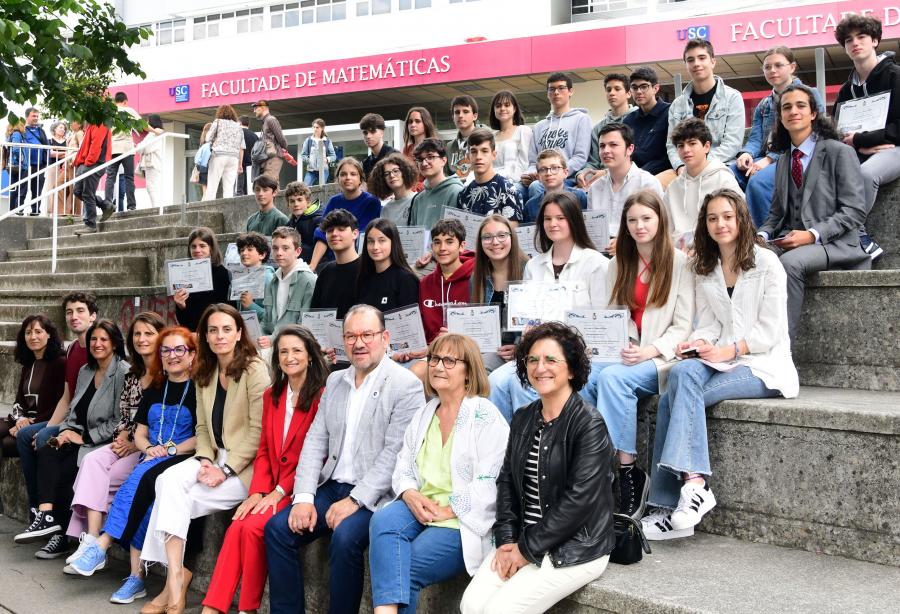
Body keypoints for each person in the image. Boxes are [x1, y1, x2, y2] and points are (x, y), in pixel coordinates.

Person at [642, 188, 798, 540]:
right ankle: (692, 489)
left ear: (741, 218)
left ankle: (671, 502)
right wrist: (698, 342)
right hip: (724, 358)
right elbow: (711, 323)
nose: (720, 223)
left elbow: (771, 331)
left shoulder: (767, 262)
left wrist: (728, 351)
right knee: (679, 378)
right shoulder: (707, 267)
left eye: (727, 216)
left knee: (678, 389)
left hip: (762, 365)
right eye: (712, 218)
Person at [264, 304, 423, 614]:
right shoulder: (336, 381)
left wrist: (355, 500)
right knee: (277, 530)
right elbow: (315, 441)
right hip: (332, 485)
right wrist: (304, 498)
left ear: (385, 337)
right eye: (350, 336)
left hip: (376, 495)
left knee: (345, 538)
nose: (358, 343)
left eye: (367, 334)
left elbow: (395, 453)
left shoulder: (406, 386)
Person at [460, 322, 615, 614]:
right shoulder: (523, 417)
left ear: (571, 369)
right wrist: (506, 540)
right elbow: (506, 482)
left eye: (551, 359)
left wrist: (525, 550)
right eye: (532, 359)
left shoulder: (589, 424)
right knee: (470, 605)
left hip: (575, 546)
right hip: (521, 538)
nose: (540, 367)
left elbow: (579, 502)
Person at [141, 304, 269, 614]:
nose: (220, 335)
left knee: (171, 500)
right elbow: (201, 426)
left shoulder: (255, 370)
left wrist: (224, 470)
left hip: (244, 466)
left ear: (239, 333)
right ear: (206, 336)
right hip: (212, 455)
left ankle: (173, 587)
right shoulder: (205, 370)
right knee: (166, 480)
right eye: (213, 330)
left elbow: (258, 431)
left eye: (227, 329)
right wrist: (204, 460)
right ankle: (175, 578)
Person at [369, 334, 509, 614]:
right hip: (422, 505)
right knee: (382, 518)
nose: (437, 366)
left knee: (403, 569)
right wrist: (409, 493)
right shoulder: (425, 413)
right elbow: (404, 463)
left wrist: (450, 510)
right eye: (434, 359)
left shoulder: (485, 416)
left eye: (449, 360)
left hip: (462, 520)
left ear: (468, 372)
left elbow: (492, 479)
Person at [64, 326, 198, 607]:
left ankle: (103, 547)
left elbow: (203, 436)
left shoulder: (199, 390)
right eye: (166, 350)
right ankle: (134, 577)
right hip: (152, 456)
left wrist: (169, 449)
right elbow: (139, 432)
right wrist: (150, 448)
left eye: (179, 350)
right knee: (139, 486)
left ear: (192, 355)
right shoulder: (155, 388)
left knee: (139, 483)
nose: (172, 356)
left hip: (182, 457)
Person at [581, 189, 694, 519]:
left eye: (646, 218)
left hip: (663, 357)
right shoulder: (618, 264)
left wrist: (649, 350)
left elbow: (683, 325)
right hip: (628, 351)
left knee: (614, 380)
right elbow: (615, 316)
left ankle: (627, 474)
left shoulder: (681, 264)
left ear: (660, 220)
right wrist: (613, 342)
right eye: (632, 220)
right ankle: (589, 467)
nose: (639, 226)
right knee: (586, 377)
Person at [201, 325, 329, 614]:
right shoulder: (273, 394)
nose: (289, 357)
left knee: (253, 528)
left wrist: (279, 492)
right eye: (283, 351)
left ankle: (248, 607)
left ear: (310, 355)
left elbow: (319, 457)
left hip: (303, 486)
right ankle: (213, 607)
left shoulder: (323, 395)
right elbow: (263, 451)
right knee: (237, 526)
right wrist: (257, 491)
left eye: (297, 350)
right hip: (270, 484)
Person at [758, 84, 869, 344]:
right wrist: (762, 235)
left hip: (837, 242)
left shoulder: (838, 151)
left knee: (790, 264)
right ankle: (751, 343)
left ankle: (783, 351)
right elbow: (775, 215)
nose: (793, 111)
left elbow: (854, 211)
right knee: (753, 258)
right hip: (793, 240)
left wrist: (811, 235)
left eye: (800, 106)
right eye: (786, 107)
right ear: (781, 117)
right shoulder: (785, 159)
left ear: (813, 114)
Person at [487, 191, 609, 423]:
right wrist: (526, 332)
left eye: (560, 218)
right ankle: (510, 449)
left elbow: (602, 321)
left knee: (524, 383)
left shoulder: (596, 264)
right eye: (547, 219)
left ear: (573, 220)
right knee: (496, 383)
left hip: (580, 354)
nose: (553, 224)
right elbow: (527, 315)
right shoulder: (534, 265)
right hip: (539, 351)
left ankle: (542, 446)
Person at [14, 320, 129, 559]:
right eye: (94, 339)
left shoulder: (123, 372)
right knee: (48, 447)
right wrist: (65, 432)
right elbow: (74, 410)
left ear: (115, 344)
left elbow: (120, 420)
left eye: (104, 340)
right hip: (79, 436)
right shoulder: (85, 371)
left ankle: (62, 536)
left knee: (66, 470)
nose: (97, 344)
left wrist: (83, 436)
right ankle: (47, 517)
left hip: (102, 442)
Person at [64, 313, 165, 558]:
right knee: (91, 461)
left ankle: (95, 545)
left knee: (105, 478)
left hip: (151, 446)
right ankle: (91, 540)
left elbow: (163, 420)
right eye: (138, 334)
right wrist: (122, 435)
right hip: (127, 440)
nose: (142, 339)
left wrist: (134, 442)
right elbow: (123, 415)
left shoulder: (168, 371)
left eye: (148, 334)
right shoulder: (132, 374)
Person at [16, 293, 98, 518]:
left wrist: (48, 429)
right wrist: (47, 426)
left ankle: (49, 515)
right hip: (69, 418)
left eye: (80, 311)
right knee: (28, 436)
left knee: (41, 439)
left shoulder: (97, 348)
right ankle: (36, 508)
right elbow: (66, 396)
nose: (74, 316)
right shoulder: (72, 350)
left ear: (93, 316)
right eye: (69, 312)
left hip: (87, 424)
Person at [732, 47, 825, 227]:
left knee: (757, 182)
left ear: (792, 67)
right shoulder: (764, 104)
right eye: (767, 67)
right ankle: (740, 231)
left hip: (796, 157)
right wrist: (746, 154)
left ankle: (767, 235)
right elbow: (755, 138)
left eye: (778, 65)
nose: (772, 70)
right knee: (727, 174)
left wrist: (769, 159)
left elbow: (814, 134)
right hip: (765, 158)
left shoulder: (810, 95)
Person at [834, 13, 900, 262]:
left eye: (861, 36)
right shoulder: (845, 89)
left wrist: (863, 140)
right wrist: (860, 145)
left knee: (866, 174)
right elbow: (837, 132)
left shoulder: (895, 75)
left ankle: (854, 232)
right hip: (861, 151)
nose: (855, 43)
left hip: (893, 148)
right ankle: (853, 235)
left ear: (875, 40)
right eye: (849, 40)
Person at [663, 38, 745, 188]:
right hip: (684, 166)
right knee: (653, 187)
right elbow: (671, 144)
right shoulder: (677, 105)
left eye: (702, 58)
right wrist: (680, 166)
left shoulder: (732, 98)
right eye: (690, 60)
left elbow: (732, 144)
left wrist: (701, 164)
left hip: (721, 166)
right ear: (686, 65)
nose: (696, 64)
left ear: (713, 61)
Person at [0, 316, 66, 474]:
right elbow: (18, 401)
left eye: (38, 331)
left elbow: (61, 403)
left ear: (49, 334)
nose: (33, 336)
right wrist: (20, 419)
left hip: (44, 423)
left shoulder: (60, 363)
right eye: (28, 332)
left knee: (7, 442)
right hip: (23, 421)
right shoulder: (28, 364)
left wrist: (32, 422)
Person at [665, 118, 743, 250]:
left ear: (707, 146)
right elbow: (666, 230)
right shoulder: (672, 188)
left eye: (692, 143)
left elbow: (740, 221)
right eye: (680, 145)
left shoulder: (723, 179)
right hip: (679, 255)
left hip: (717, 250)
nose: (686, 150)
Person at [588, 123, 664, 254]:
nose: (606, 150)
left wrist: (624, 243)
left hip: (638, 251)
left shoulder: (648, 183)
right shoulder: (594, 188)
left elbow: (659, 228)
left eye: (613, 145)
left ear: (630, 149)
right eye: (602, 146)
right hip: (600, 254)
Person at [470, 214, 528, 373]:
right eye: (487, 237)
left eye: (502, 235)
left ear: (512, 238)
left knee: (478, 369)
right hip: (489, 349)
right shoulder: (477, 277)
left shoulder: (529, 271)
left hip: (522, 351)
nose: (495, 242)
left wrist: (521, 347)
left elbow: (539, 322)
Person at [523, 73, 593, 200]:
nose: (556, 92)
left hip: (567, 179)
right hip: (541, 177)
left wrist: (557, 172)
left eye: (561, 88)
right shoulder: (539, 126)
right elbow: (533, 162)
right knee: (514, 189)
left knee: (536, 187)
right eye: (552, 89)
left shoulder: (581, 119)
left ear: (570, 91)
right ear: (547, 94)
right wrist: (530, 173)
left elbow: (580, 157)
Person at [309, 157, 381, 271]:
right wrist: (312, 266)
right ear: (338, 179)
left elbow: (362, 235)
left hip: (359, 262)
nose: (348, 178)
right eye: (343, 174)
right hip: (331, 259)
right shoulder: (334, 201)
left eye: (353, 174)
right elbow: (322, 231)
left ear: (360, 179)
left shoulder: (372, 202)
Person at [418, 219, 475, 345]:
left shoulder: (475, 280)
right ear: (432, 246)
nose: (442, 248)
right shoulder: (425, 283)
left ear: (462, 246)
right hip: (430, 350)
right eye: (437, 242)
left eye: (449, 242)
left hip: (465, 348)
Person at [260, 226, 317, 348]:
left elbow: (304, 326)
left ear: (298, 251)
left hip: (295, 346)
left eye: (285, 248)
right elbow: (266, 321)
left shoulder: (308, 280)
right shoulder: (273, 281)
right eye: (275, 248)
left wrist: (273, 339)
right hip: (271, 346)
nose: (279, 253)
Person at [576, 73, 636, 188]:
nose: (612, 93)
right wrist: (582, 173)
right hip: (599, 179)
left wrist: (606, 172)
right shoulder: (598, 128)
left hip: (627, 177)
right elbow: (593, 161)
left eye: (617, 89)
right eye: (608, 90)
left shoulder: (637, 121)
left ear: (628, 94)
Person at [456, 128, 524, 221]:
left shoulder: (508, 190)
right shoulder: (463, 194)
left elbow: (513, 231)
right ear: (468, 157)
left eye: (484, 151)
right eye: (474, 151)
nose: (479, 157)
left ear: (494, 155)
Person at [174, 227, 232, 332]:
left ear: (211, 248)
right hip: (193, 334)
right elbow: (183, 321)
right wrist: (180, 306)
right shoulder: (183, 275)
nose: (197, 250)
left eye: (202, 246)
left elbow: (228, 310)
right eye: (193, 246)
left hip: (215, 333)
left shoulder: (222, 273)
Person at [356, 218, 421, 312]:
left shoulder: (405, 279)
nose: (375, 247)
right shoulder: (364, 277)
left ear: (393, 242)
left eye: (382, 240)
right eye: (370, 241)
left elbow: (409, 322)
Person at [310, 209, 361, 319]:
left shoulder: (367, 269)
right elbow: (315, 312)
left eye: (341, 229)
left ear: (355, 234)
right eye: (329, 230)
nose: (334, 234)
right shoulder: (325, 272)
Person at [623, 66, 673, 176]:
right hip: (632, 176)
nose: (638, 91)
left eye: (644, 86)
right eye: (634, 87)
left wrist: (641, 173)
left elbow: (671, 154)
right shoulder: (628, 121)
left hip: (663, 174)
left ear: (656, 88)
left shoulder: (670, 113)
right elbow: (625, 155)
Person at [408, 139, 464, 231]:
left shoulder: (455, 191)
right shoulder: (418, 199)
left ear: (443, 160)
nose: (424, 163)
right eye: (420, 159)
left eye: (430, 157)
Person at [72, 119, 114, 235]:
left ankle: (90, 224)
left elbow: (96, 145)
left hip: (94, 163)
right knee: (78, 191)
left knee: (87, 193)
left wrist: (88, 163)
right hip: (88, 163)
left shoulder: (100, 122)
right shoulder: (92, 124)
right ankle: (105, 205)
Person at [523, 149, 589, 223]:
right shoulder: (530, 205)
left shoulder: (579, 197)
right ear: (538, 176)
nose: (548, 173)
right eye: (543, 169)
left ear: (565, 173)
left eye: (554, 168)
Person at [490, 90, 533, 204]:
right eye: (498, 106)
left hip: (517, 183)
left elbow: (524, 162)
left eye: (507, 105)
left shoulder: (523, 131)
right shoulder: (491, 137)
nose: (502, 108)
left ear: (514, 109)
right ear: (494, 110)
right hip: (492, 181)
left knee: (507, 191)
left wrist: (508, 181)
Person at [104, 93, 142, 212]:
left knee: (110, 178)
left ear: (115, 101)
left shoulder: (110, 113)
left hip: (113, 148)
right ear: (125, 101)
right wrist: (156, 132)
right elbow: (143, 124)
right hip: (126, 149)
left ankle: (108, 204)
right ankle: (131, 205)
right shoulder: (128, 110)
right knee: (129, 177)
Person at [204, 104, 245, 201]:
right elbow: (241, 146)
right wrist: (240, 164)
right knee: (229, 188)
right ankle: (228, 211)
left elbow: (207, 138)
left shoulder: (217, 122)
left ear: (220, 113)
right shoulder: (238, 126)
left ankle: (208, 209)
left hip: (219, 155)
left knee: (212, 185)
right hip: (234, 158)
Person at [369, 153, 419, 226]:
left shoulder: (418, 200)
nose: (392, 176)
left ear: (405, 171)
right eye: (386, 174)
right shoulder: (386, 209)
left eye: (395, 171)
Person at [234, 231, 275, 319]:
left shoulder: (268, 278)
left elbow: (273, 316)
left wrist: (251, 305)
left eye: (249, 249)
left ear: (262, 255)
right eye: (241, 250)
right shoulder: (240, 277)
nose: (244, 253)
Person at [19, 107, 51, 215]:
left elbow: (46, 145)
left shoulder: (41, 130)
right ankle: (19, 209)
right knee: (22, 188)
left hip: (40, 164)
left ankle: (36, 210)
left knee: (37, 189)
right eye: (33, 116)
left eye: (37, 116)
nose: (36, 118)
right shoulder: (22, 129)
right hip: (25, 164)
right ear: (27, 116)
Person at [446, 95, 481, 182]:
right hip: (454, 189)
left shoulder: (485, 140)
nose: (460, 115)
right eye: (457, 112)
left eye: (465, 111)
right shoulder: (448, 147)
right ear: (453, 117)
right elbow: (444, 176)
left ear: (475, 116)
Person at [253, 100, 288, 183]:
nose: (254, 111)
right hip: (269, 157)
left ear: (263, 108)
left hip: (274, 157)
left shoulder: (270, 120)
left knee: (270, 182)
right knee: (272, 183)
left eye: (256, 108)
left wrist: (283, 148)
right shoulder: (265, 121)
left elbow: (281, 139)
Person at [403, 106, 438, 189]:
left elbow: (434, 177)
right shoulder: (407, 149)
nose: (412, 125)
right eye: (410, 122)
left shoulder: (434, 147)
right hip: (408, 192)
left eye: (417, 121)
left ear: (426, 124)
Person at [360, 113, 398, 184]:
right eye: (365, 133)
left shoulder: (394, 155)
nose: (368, 136)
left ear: (382, 133)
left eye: (373, 131)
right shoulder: (365, 163)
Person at [140, 115, 166, 209]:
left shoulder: (155, 133)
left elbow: (146, 148)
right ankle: (156, 207)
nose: (147, 123)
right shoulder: (157, 133)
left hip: (152, 163)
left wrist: (140, 146)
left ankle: (156, 207)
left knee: (151, 186)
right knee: (152, 185)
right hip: (153, 163)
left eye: (148, 121)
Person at [301, 118, 336, 187]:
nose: (315, 129)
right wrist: (309, 160)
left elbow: (333, 156)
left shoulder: (327, 141)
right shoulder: (308, 140)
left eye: (317, 127)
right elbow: (303, 155)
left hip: (323, 170)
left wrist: (327, 159)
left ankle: (318, 198)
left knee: (321, 189)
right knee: (305, 188)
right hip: (311, 170)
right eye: (313, 127)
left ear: (322, 128)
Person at [237, 115, 258, 195]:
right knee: (249, 190)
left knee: (239, 190)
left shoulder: (238, 133)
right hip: (252, 166)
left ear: (240, 123)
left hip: (240, 165)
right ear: (248, 124)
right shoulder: (254, 136)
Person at [194, 122, 213, 200]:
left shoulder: (202, 143)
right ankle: (207, 200)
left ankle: (204, 200)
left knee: (205, 187)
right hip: (210, 165)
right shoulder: (212, 142)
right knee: (211, 186)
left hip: (202, 167)